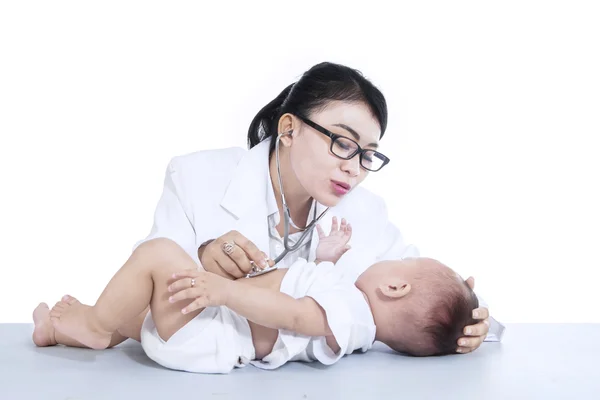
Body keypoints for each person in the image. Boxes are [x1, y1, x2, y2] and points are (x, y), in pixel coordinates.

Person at [32, 61, 499, 353]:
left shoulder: (366, 212)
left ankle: (72, 326)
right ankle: (71, 327)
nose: (355, 168)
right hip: (182, 331)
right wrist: (204, 257)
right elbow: (144, 278)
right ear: (290, 129)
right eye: (342, 142)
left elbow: (427, 300)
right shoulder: (197, 176)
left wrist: (477, 325)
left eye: (368, 154)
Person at [41, 217, 478, 374]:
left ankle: (96, 328)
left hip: (207, 337)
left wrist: (227, 291)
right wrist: (325, 258)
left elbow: (294, 315)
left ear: (395, 286)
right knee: (141, 309)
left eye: (401, 263)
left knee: (157, 256)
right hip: (204, 333)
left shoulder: (351, 312)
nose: (386, 260)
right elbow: (315, 296)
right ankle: (59, 330)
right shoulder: (350, 308)